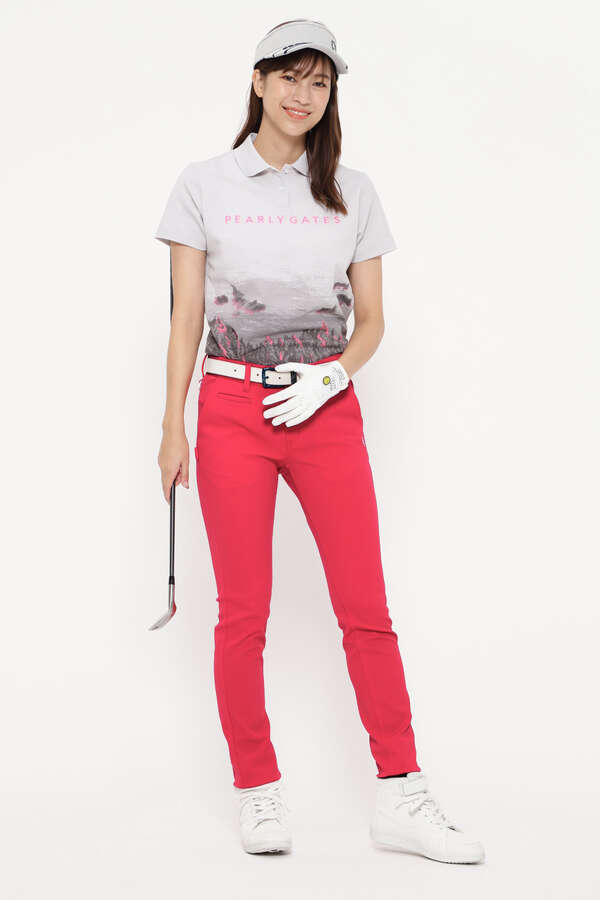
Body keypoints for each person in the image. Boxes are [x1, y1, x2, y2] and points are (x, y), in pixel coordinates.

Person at [154, 18, 484, 864]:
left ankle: (401, 793)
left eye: (320, 82)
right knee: (243, 614)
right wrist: (171, 426)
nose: (304, 95)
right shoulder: (203, 184)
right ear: (258, 81)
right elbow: (186, 317)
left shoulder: (352, 192)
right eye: (290, 77)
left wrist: (333, 377)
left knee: (366, 608)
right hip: (232, 407)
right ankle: (257, 790)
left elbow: (371, 321)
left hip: (324, 408)